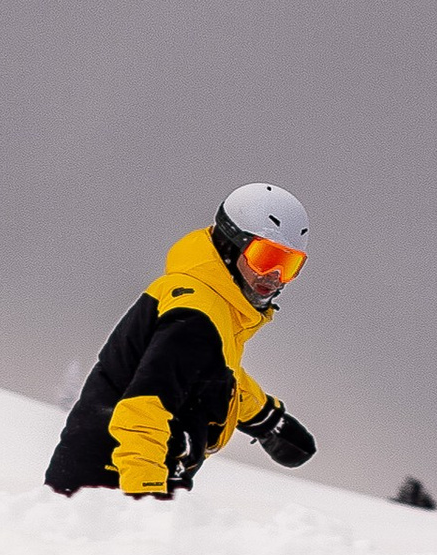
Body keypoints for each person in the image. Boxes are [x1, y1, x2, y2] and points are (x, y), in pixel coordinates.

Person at [47, 184, 319, 501]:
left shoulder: (212, 305)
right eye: (265, 257)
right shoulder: (196, 316)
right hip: (109, 487)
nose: (274, 275)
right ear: (231, 243)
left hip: (108, 484)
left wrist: (266, 420)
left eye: (288, 265)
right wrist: (146, 499)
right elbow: (144, 409)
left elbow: (216, 373)